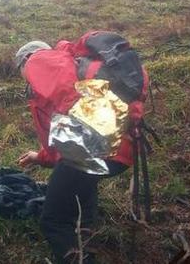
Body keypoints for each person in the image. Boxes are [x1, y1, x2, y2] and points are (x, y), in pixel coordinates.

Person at [14, 36, 147, 264]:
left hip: (93, 150)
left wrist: (80, 120)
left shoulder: (40, 61)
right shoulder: (76, 66)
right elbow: (60, 143)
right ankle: (86, 243)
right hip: (121, 153)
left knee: (53, 220)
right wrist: (41, 157)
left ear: (26, 59)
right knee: (83, 190)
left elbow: (70, 121)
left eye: (19, 70)